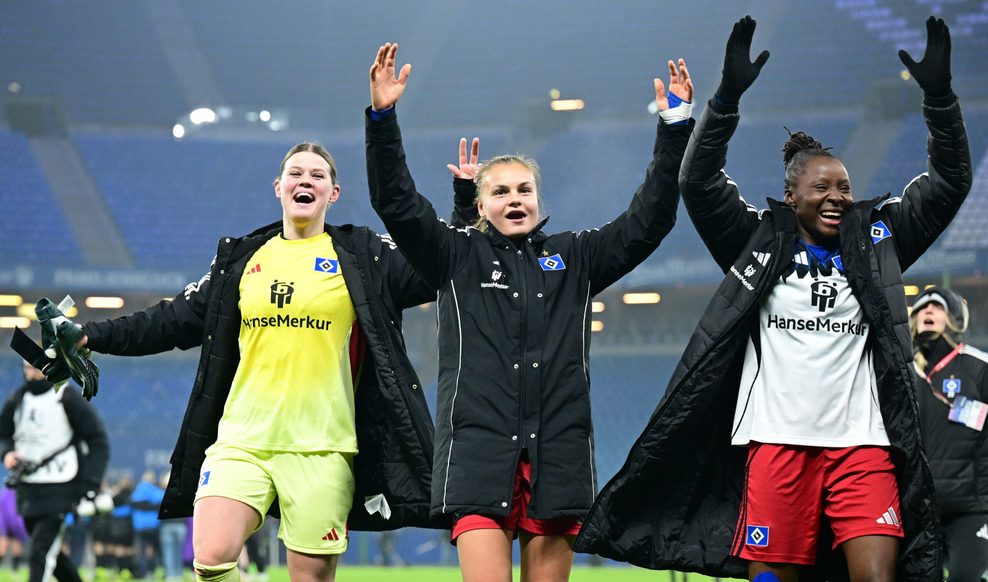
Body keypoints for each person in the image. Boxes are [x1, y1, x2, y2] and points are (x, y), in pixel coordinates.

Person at [573, 14, 971, 582]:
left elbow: (951, 181)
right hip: (777, 444)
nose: (838, 198)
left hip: (864, 445)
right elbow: (699, 183)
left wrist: (938, 98)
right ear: (791, 195)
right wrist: (727, 97)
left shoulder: (878, 241)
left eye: (845, 188)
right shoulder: (756, 239)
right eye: (822, 188)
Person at [54, 138, 459, 582]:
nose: (306, 180)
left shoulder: (364, 257)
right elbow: (172, 319)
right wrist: (92, 335)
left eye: (317, 175)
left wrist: (462, 205)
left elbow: (434, 264)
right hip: (242, 439)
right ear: (279, 187)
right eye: (296, 173)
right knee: (211, 558)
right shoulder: (244, 260)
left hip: (322, 447)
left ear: (333, 193)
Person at [366, 43, 694, 582]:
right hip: (477, 452)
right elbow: (397, 204)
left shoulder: (578, 256)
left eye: (525, 189)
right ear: (480, 205)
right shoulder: (455, 255)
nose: (514, 198)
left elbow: (650, 220)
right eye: (499, 191)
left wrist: (675, 125)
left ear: (539, 199)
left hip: (558, 454)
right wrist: (382, 119)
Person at [0, 361, 110, 582]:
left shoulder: (67, 397)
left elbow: (98, 440)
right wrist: (7, 454)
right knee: (50, 551)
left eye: (36, 368)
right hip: (29, 489)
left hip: (62, 487)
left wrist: (91, 483)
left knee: (40, 551)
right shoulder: (18, 399)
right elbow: (3, 435)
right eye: (27, 368)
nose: (31, 374)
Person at [910, 286, 988, 580]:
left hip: (971, 507)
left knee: (965, 576)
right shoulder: (904, 371)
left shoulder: (978, 367)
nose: (928, 311)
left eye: (937, 307)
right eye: (922, 308)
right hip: (919, 508)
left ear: (954, 318)